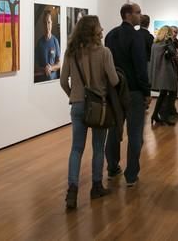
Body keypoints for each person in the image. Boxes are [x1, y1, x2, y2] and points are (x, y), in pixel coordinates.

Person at [60, 15, 119, 209]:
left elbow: (63, 81)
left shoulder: (71, 52)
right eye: (99, 28)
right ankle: (96, 186)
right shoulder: (104, 52)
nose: (102, 30)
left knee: (76, 149)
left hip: (77, 104)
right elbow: (114, 80)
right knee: (98, 147)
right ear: (93, 30)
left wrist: (75, 95)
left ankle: (72, 191)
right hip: (98, 106)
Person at [104, 3, 150, 187]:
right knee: (135, 132)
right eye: (138, 12)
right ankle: (131, 175)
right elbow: (140, 67)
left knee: (114, 130)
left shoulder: (110, 36)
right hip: (134, 91)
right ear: (128, 14)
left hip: (115, 90)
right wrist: (146, 91)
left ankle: (113, 168)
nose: (141, 15)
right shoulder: (136, 36)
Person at [149, 26, 178, 126]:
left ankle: (155, 115)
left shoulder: (155, 44)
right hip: (166, 72)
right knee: (166, 95)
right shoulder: (167, 42)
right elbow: (173, 53)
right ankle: (164, 117)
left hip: (158, 72)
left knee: (162, 95)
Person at [35, 10, 61, 82]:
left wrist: (51, 68)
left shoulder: (55, 41)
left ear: (51, 23)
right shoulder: (39, 43)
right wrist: (45, 69)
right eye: (45, 23)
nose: (47, 26)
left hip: (53, 82)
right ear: (43, 24)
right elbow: (35, 66)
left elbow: (59, 63)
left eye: (49, 22)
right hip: (41, 82)